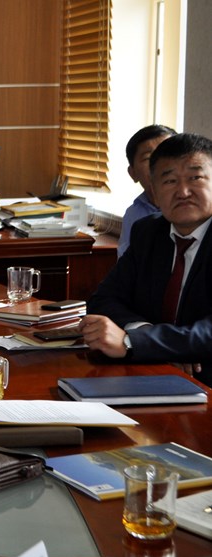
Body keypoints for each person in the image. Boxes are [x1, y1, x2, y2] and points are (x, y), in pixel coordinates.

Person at [82, 133, 212, 385]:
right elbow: (103, 300)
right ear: (154, 190)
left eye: (195, 178)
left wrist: (133, 342)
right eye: (170, 181)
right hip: (153, 374)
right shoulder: (148, 232)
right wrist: (150, 338)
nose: (183, 192)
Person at [118, 125, 177, 256]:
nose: (160, 163)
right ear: (133, 173)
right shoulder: (133, 214)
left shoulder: (193, 209)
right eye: (148, 158)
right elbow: (125, 263)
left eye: (167, 153)